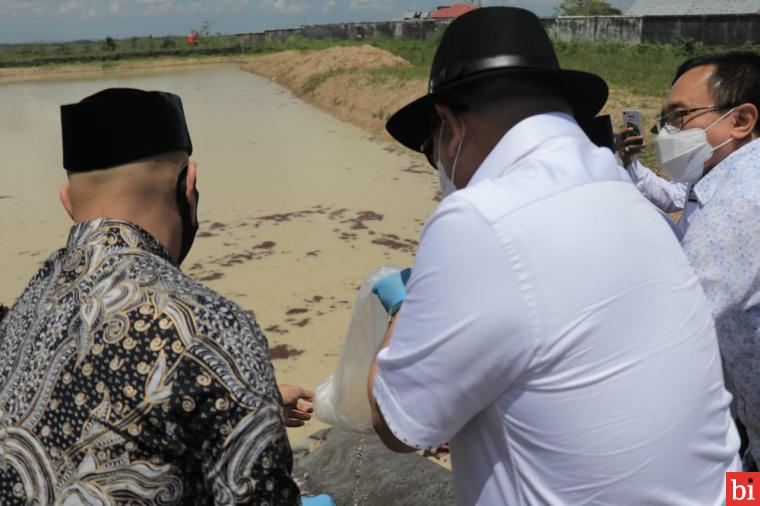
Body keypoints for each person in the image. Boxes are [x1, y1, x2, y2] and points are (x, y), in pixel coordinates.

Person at [365, 7, 740, 505]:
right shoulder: (627, 194)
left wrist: (405, 305)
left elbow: (396, 424)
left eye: (433, 149)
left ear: (449, 125)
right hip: (737, 490)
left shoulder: (480, 218)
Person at [0, 88, 311, 504]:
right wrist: (237, 386)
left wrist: (250, 393)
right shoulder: (209, 326)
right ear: (189, 185)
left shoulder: (23, 311)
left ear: (68, 203)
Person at [647, 51, 760, 467]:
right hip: (748, 430)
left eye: (681, 116)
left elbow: (674, 325)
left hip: (750, 436)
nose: (667, 133)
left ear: (742, 121)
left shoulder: (740, 201)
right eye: (665, 120)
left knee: (739, 494)